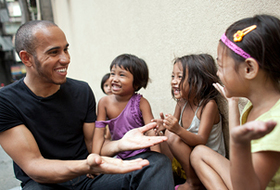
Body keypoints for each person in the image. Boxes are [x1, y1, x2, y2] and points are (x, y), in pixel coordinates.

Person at [0, 20, 174, 189]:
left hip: (90, 179)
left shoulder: (81, 90)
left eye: (66, 50)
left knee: (155, 163)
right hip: (46, 184)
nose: (65, 59)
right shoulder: (6, 101)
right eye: (54, 52)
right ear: (26, 58)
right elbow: (35, 166)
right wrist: (86, 166)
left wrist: (120, 144)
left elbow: (93, 145)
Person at [190, 14, 280, 190]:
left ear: (249, 69)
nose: (218, 74)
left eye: (221, 67)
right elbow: (238, 141)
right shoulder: (256, 104)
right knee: (198, 153)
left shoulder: (274, 123)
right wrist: (232, 103)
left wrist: (240, 145)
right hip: (246, 177)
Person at [153, 54, 226, 190]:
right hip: (189, 159)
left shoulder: (208, 105)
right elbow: (171, 130)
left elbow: (201, 140)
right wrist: (164, 125)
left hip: (207, 164)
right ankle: (168, 178)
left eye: (180, 77)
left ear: (200, 81)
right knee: (159, 136)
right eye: (173, 76)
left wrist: (177, 130)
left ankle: (194, 184)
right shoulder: (182, 103)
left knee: (173, 136)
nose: (173, 81)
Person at [92, 53, 160, 160]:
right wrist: (94, 158)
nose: (114, 79)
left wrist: (157, 157)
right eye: (112, 73)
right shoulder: (104, 103)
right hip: (120, 155)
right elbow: (99, 132)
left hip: (143, 154)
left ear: (136, 83)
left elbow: (151, 131)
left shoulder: (141, 103)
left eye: (122, 75)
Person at [100, 73, 112, 140]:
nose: (109, 88)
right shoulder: (103, 102)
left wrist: (107, 138)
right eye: (106, 85)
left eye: (111, 85)